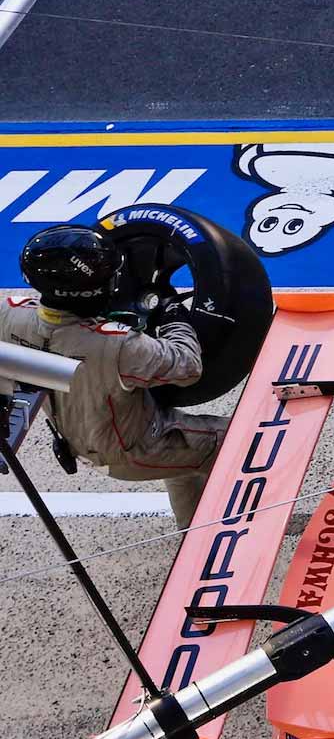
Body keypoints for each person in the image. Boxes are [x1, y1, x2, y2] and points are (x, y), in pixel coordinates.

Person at [1, 225, 225, 527]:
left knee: (183, 463)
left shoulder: (8, 316)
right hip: (136, 449)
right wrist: (172, 312)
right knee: (246, 441)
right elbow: (187, 365)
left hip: (84, 439)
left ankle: (196, 538)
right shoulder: (117, 345)